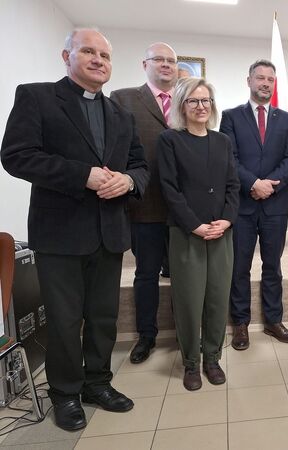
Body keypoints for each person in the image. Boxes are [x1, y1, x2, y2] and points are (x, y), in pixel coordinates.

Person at [0, 29, 148, 431]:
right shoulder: (37, 97)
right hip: (60, 233)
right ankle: (65, 392)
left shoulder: (120, 114)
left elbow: (140, 166)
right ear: (67, 56)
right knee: (64, 321)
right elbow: (16, 156)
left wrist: (129, 181)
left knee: (103, 317)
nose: (99, 60)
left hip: (109, 231)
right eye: (88, 51)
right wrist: (82, 175)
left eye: (105, 55)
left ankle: (97, 383)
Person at [157, 77, 239, 390]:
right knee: (189, 300)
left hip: (221, 232)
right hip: (187, 232)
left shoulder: (222, 141)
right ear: (182, 105)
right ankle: (191, 362)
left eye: (206, 100)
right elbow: (169, 188)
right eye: (193, 101)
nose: (201, 106)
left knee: (217, 297)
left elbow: (233, 185)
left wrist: (226, 221)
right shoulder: (170, 140)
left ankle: (212, 358)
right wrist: (194, 224)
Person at [220, 60, 288, 350]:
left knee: (273, 266)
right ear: (249, 81)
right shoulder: (231, 117)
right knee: (239, 267)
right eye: (260, 78)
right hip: (242, 205)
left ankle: (273, 321)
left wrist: (269, 185)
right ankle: (240, 324)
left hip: (275, 206)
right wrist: (253, 183)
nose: (265, 83)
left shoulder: (287, 119)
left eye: (270, 79)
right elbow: (229, 157)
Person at [110, 42, 178, 364]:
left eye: (171, 61)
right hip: (145, 205)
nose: (165, 64)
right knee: (147, 274)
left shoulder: (188, 98)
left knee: (183, 275)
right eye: (158, 59)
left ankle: (185, 331)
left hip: (184, 208)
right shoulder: (123, 98)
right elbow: (114, 149)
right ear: (145, 64)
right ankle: (146, 336)